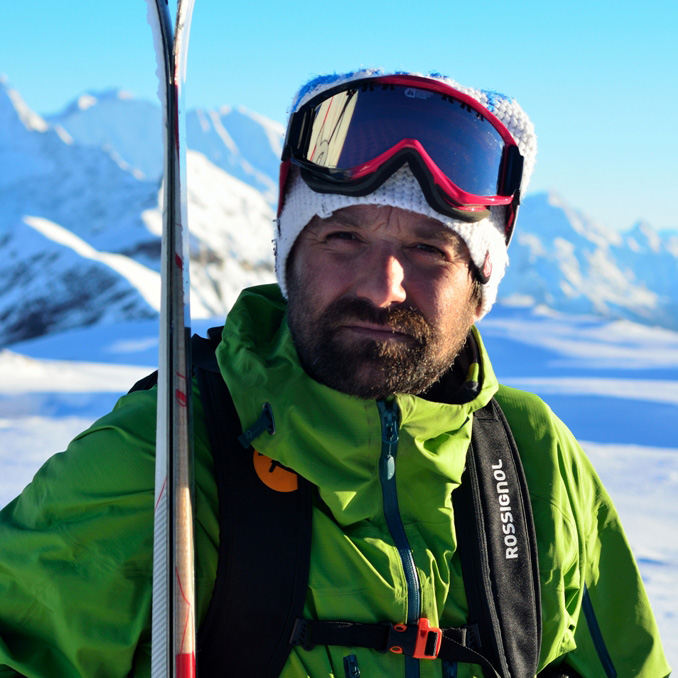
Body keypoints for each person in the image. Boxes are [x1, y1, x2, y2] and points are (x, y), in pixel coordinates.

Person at [0, 70, 670, 678]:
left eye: (429, 250)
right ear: (289, 255)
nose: (383, 287)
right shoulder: (162, 456)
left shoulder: (535, 460)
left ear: (479, 281)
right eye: (342, 237)